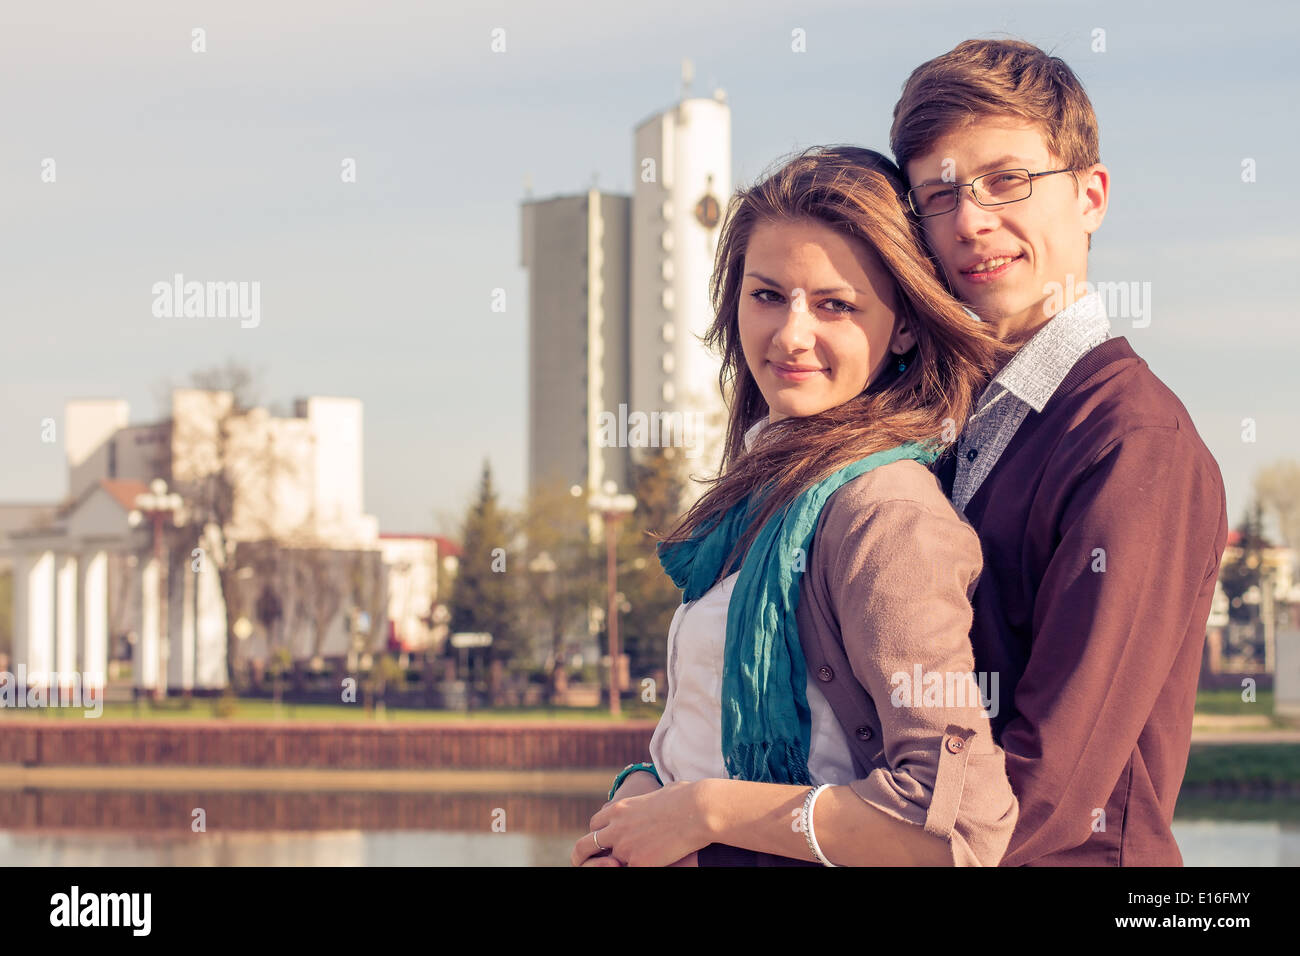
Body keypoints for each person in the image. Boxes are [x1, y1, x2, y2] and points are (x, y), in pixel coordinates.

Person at [570, 145, 1020, 867]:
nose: (789, 335)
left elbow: (958, 827)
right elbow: (706, 731)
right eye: (768, 294)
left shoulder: (883, 513)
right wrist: (645, 795)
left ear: (905, 324)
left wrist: (704, 811)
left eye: (835, 304)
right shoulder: (766, 488)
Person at [890, 38, 1229, 865]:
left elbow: (1045, 792)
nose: (971, 219)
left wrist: (750, 832)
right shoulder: (947, 426)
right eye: (939, 194)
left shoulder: (1132, 444)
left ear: (1090, 196)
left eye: (1007, 180)